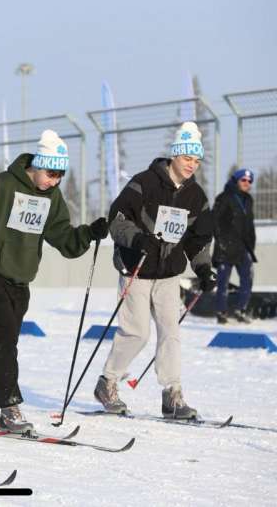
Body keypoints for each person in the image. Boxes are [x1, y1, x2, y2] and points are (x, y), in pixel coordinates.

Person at [0, 130, 109, 434]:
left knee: (3, 343)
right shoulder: (6, 184)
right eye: (51, 173)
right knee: (1, 343)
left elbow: (63, 237)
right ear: (37, 166)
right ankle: (10, 408)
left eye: (61, 175)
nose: (55, 181)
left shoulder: (51, 196)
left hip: (20, 279)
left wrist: (89, 233)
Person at [94, 121, 215, 420]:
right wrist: (137, 239)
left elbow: (199, 239)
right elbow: (117, 219)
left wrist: (204, 269)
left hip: (168, 272)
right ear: (175, 155)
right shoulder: (143, 183)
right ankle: (108, 382)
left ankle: (172, 395)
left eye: (197, 161)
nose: (192, 165)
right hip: (136, 266)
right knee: (137, 333)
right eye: (187, 158)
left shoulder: (196, 196)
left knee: (170, 333)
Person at [212, 168, 256, 324]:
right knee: (223, 281)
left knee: (248, 278)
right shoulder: (224, 198)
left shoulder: (248, 200)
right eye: (243, 180)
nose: (247, 183)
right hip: (226, 247)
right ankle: (221, 312)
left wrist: (251, 245)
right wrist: (222, 242)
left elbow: (249, 225)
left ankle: (240, 309)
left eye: (249, 181)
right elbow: (215, 221)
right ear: (236, 180)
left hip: (243, 247)